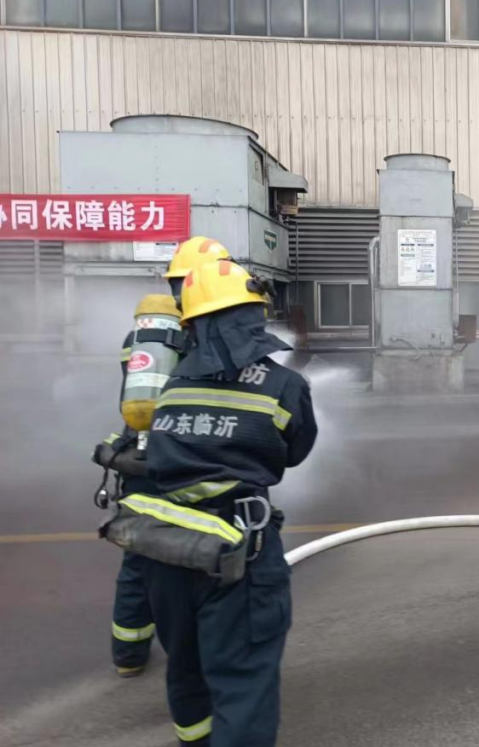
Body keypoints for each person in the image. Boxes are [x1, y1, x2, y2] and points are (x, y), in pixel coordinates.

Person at [142, 259, 317, 746]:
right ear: (254, 314)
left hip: (167, 548)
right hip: (239, 552)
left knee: (186, 664)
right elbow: (295, 452)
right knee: (243, 680)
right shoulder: (284, 384)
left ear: (191, 323)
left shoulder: (174, 382)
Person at [97, 236, 232, 678]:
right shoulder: (206, 335)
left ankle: (128, 654)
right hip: (187, 460)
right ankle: (203, 656)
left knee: (140, 555)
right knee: (204, 552)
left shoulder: (143, 336)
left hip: (139, 455)